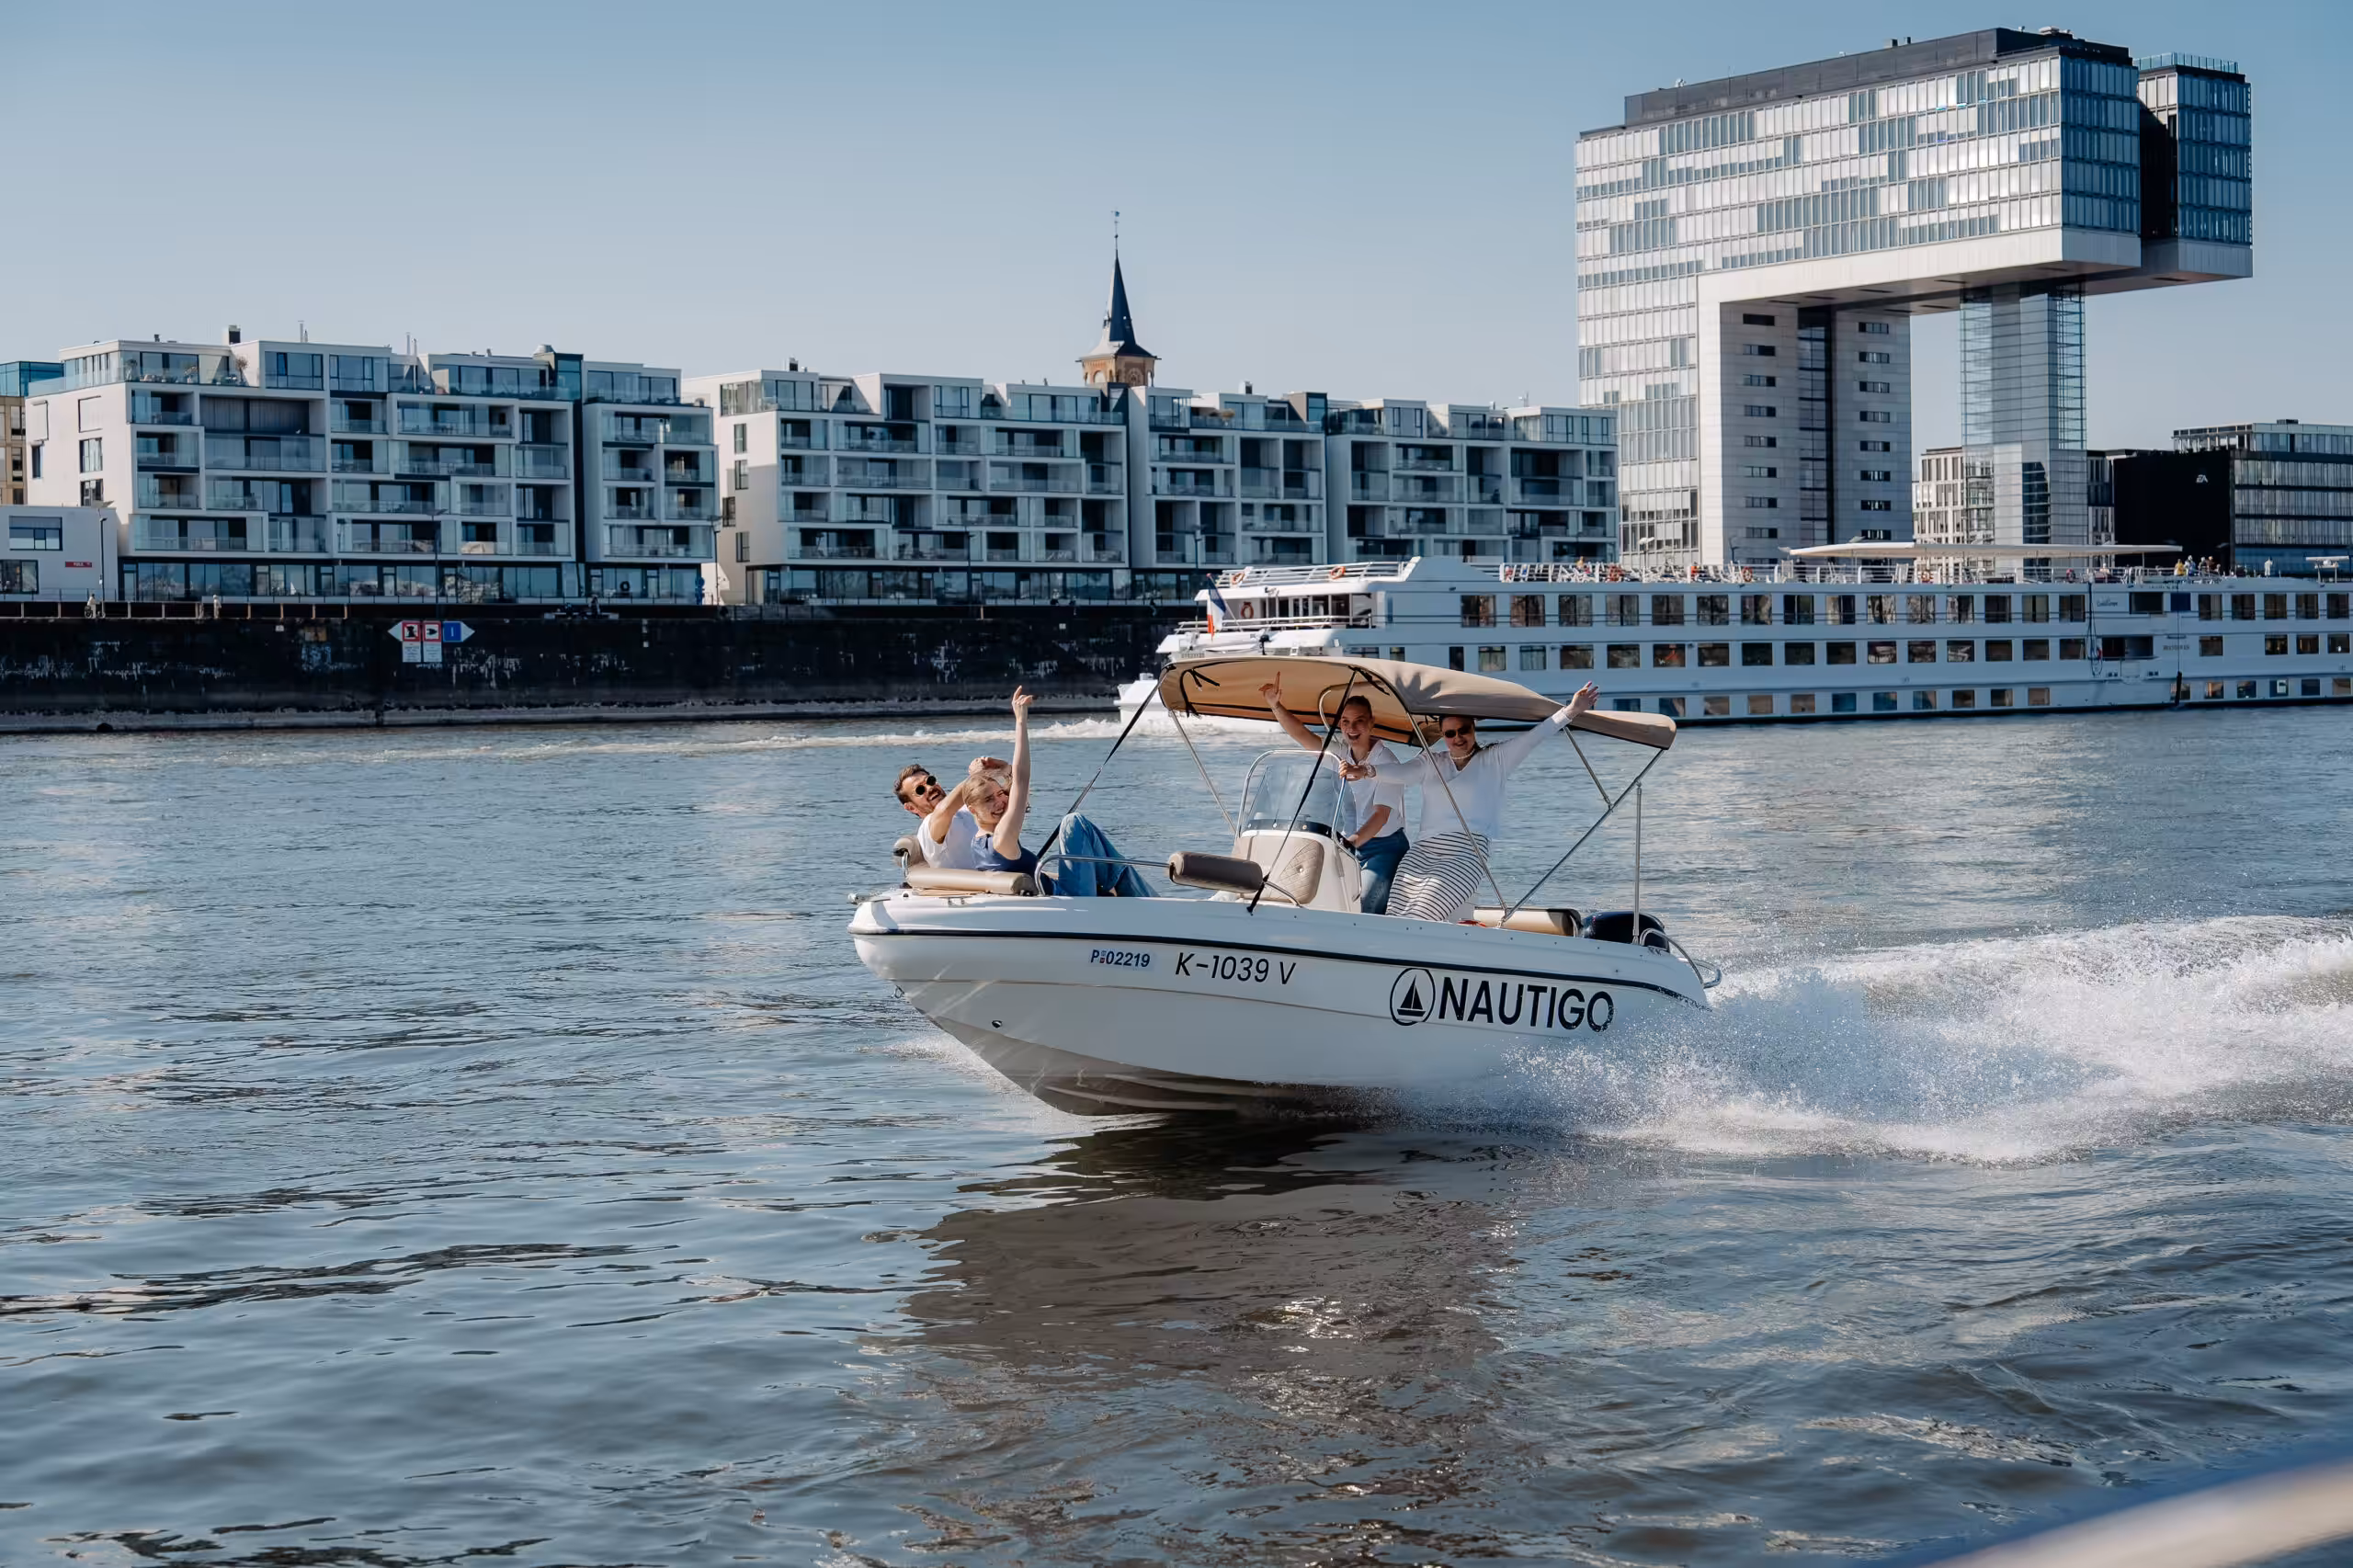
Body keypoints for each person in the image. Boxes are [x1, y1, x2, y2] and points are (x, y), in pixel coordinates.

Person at [1341, 682, 1600, 925]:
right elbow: (1401, 773)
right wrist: (1366, 771)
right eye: (1450, 733)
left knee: (1421, 915)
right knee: (1396, 913)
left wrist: (1572, 710)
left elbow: (1536, 736)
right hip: (1422, 853)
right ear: (1443, 735)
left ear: (1473, 728)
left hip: (1466, 852)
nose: (1458, 737)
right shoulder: (1432, 762)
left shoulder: (1496, 758)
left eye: (1464, 730)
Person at [890, 687, 1151, 896]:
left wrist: (1004, 773)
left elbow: (1014, 796)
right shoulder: (933, 827)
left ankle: (1129, 891)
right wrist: (1019, 723)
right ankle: (1147, 903)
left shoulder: (978, 831)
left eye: (930, 780)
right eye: (920, 790)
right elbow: (955, 808)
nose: (930, 788)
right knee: (1074, 823)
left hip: (1029, 886)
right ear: (911, 807)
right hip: (1069, 901)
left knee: (1104, 866)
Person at [1260, 682, 1408, 914]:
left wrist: (1350, 843)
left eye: (1359, 720)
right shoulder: (1339, 753)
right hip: (1349, 844)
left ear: (1371, 723)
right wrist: (1275, 705)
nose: (1352, 727)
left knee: (1364, 907)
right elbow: (1303, 735)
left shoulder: (1387, 762)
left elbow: (1380, 816)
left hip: (1384, 847)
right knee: (1312, 896)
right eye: (1346, 722)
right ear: (1340, 725)